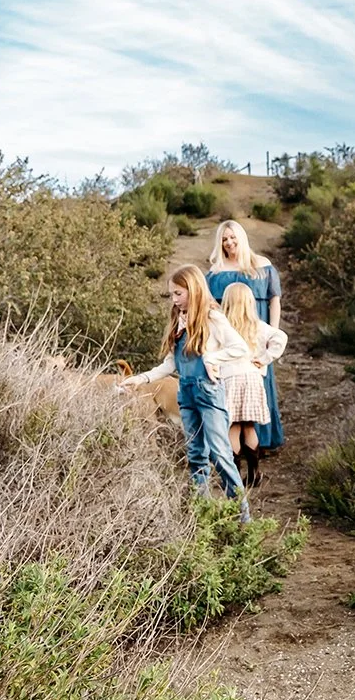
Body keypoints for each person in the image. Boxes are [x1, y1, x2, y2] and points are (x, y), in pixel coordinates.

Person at [120, 265, 252, 521]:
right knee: (195, 454)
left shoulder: (212, 318)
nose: (174, 299)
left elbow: (239, 347)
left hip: (209, 393)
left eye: (178, 293)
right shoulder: (178, 320)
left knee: (220, 454)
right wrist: (140, 379)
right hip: (187, 394)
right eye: (172, 294)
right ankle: (201, 515)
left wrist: (212, 358)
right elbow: (171, 364)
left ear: (193, 290)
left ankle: (242, 516)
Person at [207, 220, 284, 451]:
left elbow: (274, 300)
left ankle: (263, 441)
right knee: (230, 384)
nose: (229, 242)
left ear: (241, 237)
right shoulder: (215, 272)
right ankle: (232, 446)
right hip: (229, 336)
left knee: (260, 381)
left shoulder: (263, 265)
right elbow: (211, 308)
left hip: (256, 333)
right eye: (224, 239)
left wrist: (273, 332)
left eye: (232, 237)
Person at [219, 281, 289, 489]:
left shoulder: (223, 326)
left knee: (233, 426)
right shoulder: (257, 325)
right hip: (252, 378)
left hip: (230, 377)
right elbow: (280, 337)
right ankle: (254, 473)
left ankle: (233, 476)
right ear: (250, 302)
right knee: (249, 426)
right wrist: (265, 358)